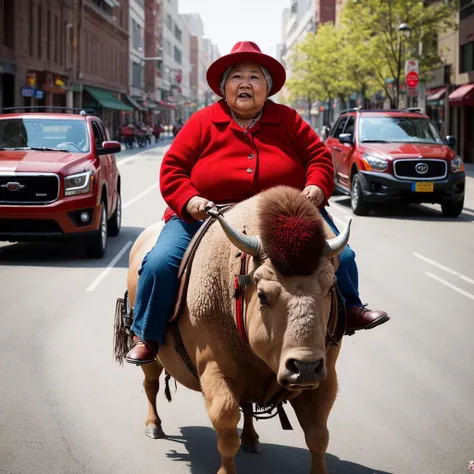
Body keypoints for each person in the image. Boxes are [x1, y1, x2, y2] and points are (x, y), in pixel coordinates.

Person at [125, 41, 389, 365]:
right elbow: (172, 169)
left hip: (287, 212)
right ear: (224, 87)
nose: (245, 84)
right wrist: (190, 199)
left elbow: (320, 158)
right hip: (208, 214)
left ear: (267, 87)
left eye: (254, 77)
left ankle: (351, 308)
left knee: (341, 254)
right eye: (237, 77)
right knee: (159, 264)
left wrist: (316, 188)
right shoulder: (202, 121)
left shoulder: (288, 119)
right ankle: (147, 335)